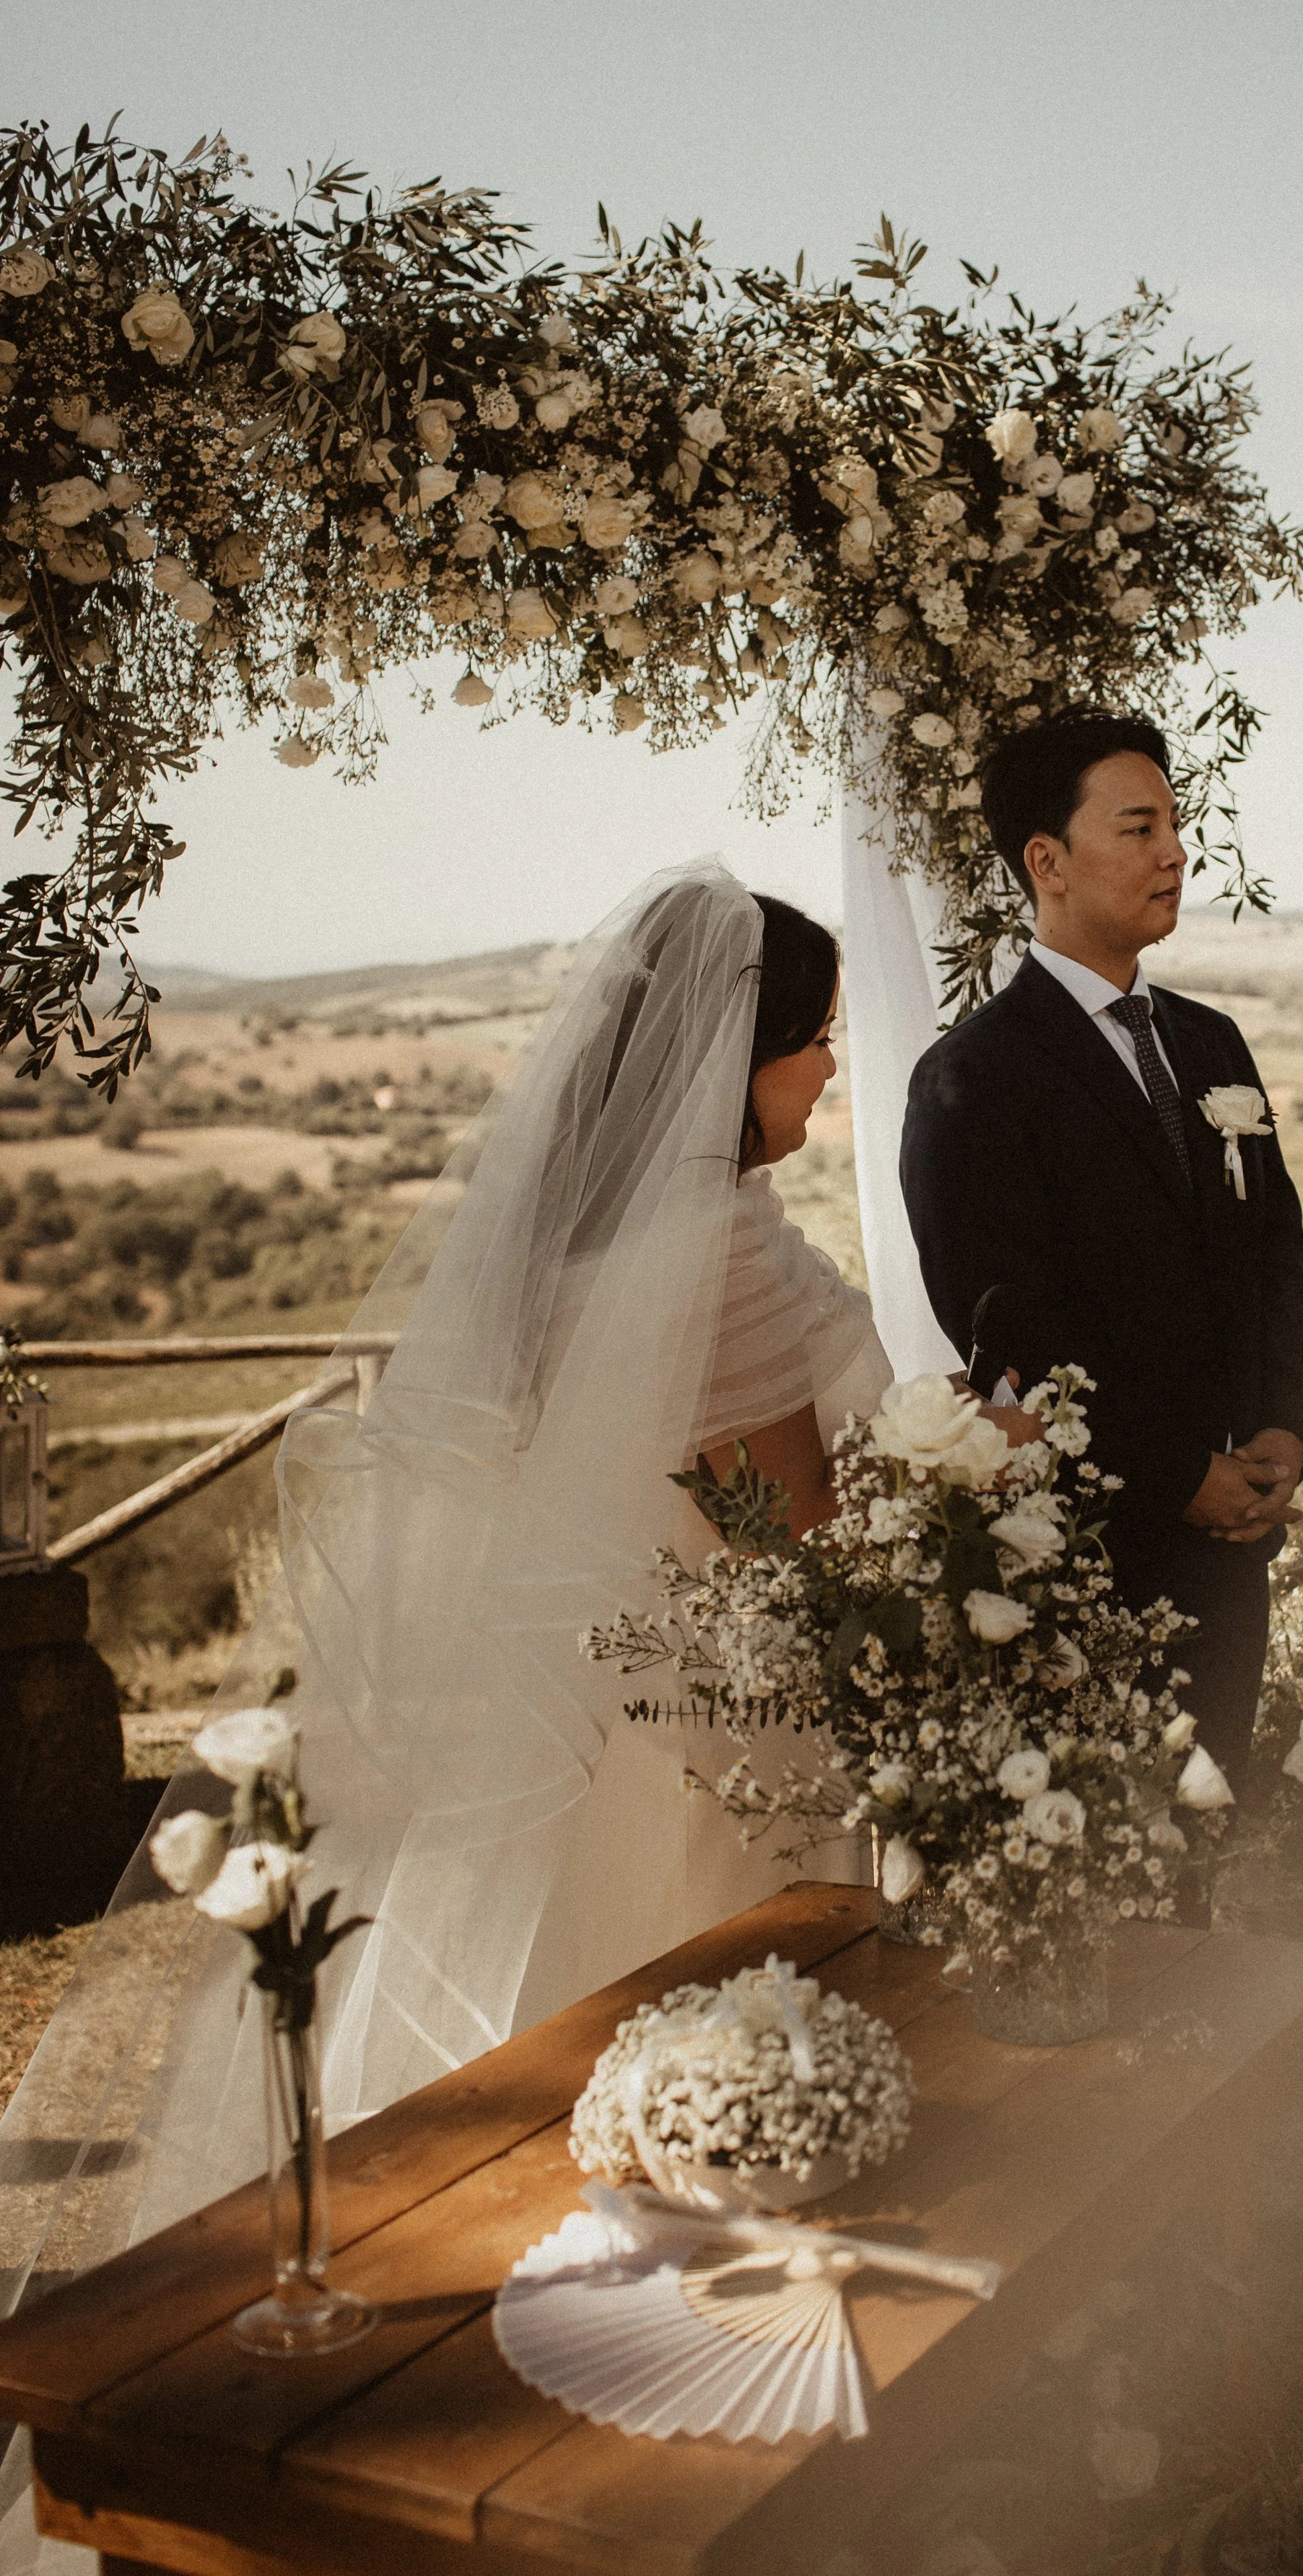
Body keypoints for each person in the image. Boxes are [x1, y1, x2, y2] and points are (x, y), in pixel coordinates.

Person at [0, 865, 895, 2567]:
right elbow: (790, 1549)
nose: (828, 1078)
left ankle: (412, 2449)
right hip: (702, 1756)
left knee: (474, 2104)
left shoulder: (581, 1242)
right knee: (660, 2120)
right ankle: (618, 2470)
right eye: (815, 1047)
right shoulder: (713, 1250)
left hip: (574, 1726)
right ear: (739, 1057)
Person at [900, 711, 1303, 1813]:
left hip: (1236, 1560)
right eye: (1138, 827)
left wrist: (1285, 1427)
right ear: (1047, 862)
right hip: (1094, 1569)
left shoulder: (1215, 1042)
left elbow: (1278, 1253)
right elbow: (1009, 1336)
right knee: (1124, 1901)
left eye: (1176, 824)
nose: (1174, 851)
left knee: (1211, 1869)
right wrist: (1183, 1475)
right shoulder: (971, 1080)